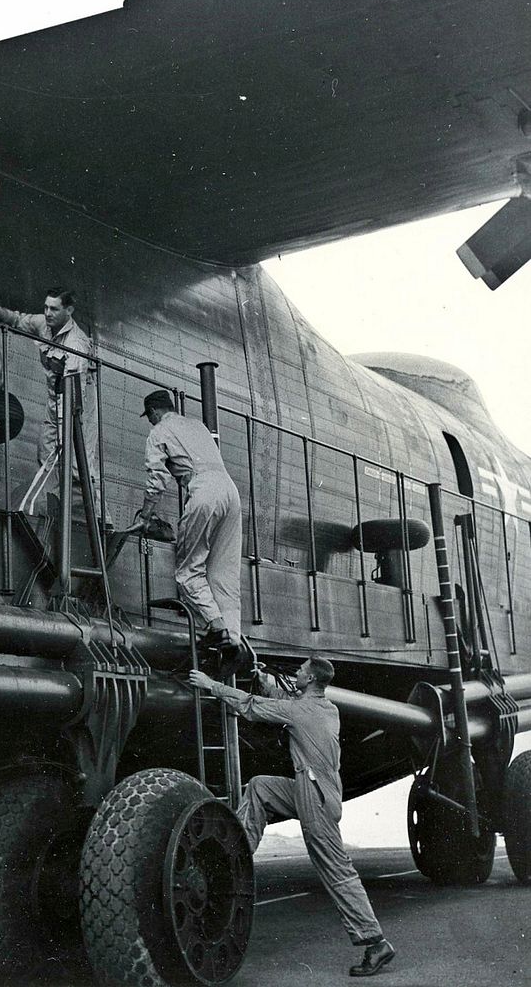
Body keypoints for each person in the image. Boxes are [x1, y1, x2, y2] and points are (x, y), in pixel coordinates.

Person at [188, 657, 396, 978]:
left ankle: (375, 942)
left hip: (315, 797)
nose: (296, 672)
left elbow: (250, 705)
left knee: (336, 872)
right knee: (260, 787)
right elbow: (288, 704)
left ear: (311, 678)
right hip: (310, 788)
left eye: (300, 670)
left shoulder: (300, 712)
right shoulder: (327, 709)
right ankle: (237, 857)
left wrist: (210, 685)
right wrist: (265, 680)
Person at [130, 389, 244, 670]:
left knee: (188, 571)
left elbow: (157, 479)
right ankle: (233, 635)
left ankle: (216, 626)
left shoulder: (159, 431)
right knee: (224, 573)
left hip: (204, 492)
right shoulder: (197, 425)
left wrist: (145, 516)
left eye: (150, 417)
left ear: (154, 413)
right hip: (230, 493)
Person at [0, 289, 102, 514]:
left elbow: (76, 392)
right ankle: (50, 507)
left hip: (78, 406)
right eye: (46, 307)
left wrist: (65, 430)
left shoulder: (76, 345)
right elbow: (18, 320)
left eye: (54, 309)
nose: (47, 313)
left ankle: (98, 517)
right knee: (47, 454)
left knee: (77, 465)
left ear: (69, 310)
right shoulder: (43, 324)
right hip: (55, 400)